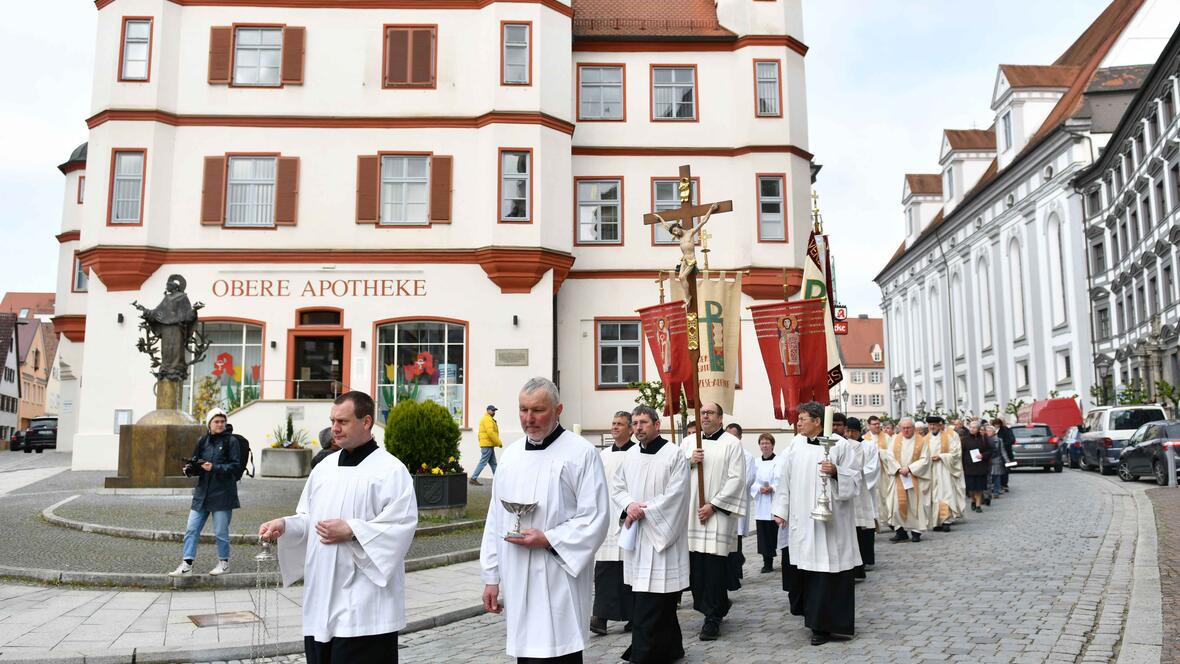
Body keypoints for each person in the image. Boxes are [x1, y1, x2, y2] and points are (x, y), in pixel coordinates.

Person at [258, 391, 418, 663]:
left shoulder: (391, 471)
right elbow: (311, 519)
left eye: (342, 421)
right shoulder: (324, 468)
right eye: (332, 420)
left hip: (366, 604)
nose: (334, 428)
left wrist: (352, 530)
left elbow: (400, 526)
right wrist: (285, 525)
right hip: (322, 597)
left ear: (366, 422)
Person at [480, 377, 610, 663]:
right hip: (516, 573)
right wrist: (491, 578)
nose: (529, 419)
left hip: (557, 573)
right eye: (523, 410)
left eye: (538, 410)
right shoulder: (511, 456)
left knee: (558, 650)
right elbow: (495, 520)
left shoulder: (581, 453)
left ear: (558, 409)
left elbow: (596, 517)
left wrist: (549, 538)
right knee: (526, 653)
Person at [772, 401, 862, 646]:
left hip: (832, 525)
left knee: (829, 572)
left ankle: (826, 626)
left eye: (802, 419)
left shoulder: (840, 446)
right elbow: (784, 480)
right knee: (807, 572)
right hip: (804, 521)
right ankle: (812, 618)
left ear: (818, 421)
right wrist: (780, 510)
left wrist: (835, 472)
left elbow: (855, 481)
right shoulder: (795, 444)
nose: (798, 423)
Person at [610, 405, 692, 664]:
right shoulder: (630, 455)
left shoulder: (674, 455)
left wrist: (648, 511)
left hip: (661, 537)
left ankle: (644, 654)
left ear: (657, 424)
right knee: (648, 597)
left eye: (643, 422)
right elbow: (617, 487)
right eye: (635, 423)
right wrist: (629, 505)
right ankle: (671, 648)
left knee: (657, 599)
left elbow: (677, 494)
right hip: (639, 536)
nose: (638, 427)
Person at [682, 402, 746, 641]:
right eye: (702, 413)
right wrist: (689, 460)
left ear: (720, 419)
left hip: (717, 514)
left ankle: (713, 618)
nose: (705, 416)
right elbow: (674, 472)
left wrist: (714, 505)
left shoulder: (732, 444)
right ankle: (714, 604)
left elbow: (736, 478)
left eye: (709, 413)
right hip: (693, 515)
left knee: (714, 568)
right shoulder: (689, 443)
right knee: (697, 569)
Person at [169, 407, 242, 577]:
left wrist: (214, 467)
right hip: (202, 493)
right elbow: (196, 463)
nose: (220, 424)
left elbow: (235, 466)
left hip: (223, 494)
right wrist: (189, 469)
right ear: (209, 423)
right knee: (191, 529)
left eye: (223, 421)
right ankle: (187, 565)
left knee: (221, 532)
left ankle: (224, 563)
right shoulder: (203, 441)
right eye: (216, 421)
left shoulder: (231, 442)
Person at [592, 411, 637, 636]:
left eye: (620, 424)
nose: (615, 427)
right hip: (606, 518)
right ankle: (600, 617)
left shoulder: (637, 454)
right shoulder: (603, 455)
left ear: (630, 429)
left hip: (626, 518)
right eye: (613, 423)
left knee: (627, 570)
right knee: (604, 570)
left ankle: (633, 616)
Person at [880, 417, 932, 543]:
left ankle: (916, 532)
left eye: (909, 428)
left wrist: (910, 468)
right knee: (896, 505)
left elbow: (925, 459)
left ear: (913, 428)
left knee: (915, 505)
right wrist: (898, 469)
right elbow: (889, 456)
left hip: (915, 477)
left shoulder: (921, 441)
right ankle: (900, 531)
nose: (906, 430)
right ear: (900, 428)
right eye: (904, 428)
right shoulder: (895, 439)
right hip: (899, 476)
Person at [723, 422, 754, 592]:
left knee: (736, 542)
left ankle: (736, 573)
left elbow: (747, 479)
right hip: (721, 502)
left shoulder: (746, 455)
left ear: (740, 437)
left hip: (736, 501)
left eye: (734, 436)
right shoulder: (723, 450)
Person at [847, 417, 878, 579]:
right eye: (848, 431)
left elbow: (873, 467)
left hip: (865, 489)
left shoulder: (868, 445)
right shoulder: (845, 445)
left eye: (854, 431)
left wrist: (858, 476)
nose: (851, 434)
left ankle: (867, 559)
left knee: (865, 524)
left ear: (860, 431)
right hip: (851, 489)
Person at [925, 416, 965, 533]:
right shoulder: (924, 439)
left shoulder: (948, 437)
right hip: (930, 470)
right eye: (930, 425)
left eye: (935, 425)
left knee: (945, 494)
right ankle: (936, 522)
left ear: (939, 425)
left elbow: (956, 453)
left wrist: (941, 456)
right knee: (933, 496)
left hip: (944, 469)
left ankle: (946, 521)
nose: (932, 427)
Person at [750, 433, 780, 573]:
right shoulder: (755, 462)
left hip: (775, 502)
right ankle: (767, 562)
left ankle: (784, 559)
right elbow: (751, 480)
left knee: (776, 534)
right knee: (763, 536)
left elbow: (781, 479)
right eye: (762, 443)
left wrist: (773, 488)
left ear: (773, 445)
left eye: (767, 443)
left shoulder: (779, 461)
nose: (765, 445)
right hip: (761, 503)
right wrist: (758, 488)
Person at [960, 419, 992, 513]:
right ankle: (973, 500)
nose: (972, 429)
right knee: (970, 489)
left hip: (980, 466)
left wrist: (983, 455)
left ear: (978, 429)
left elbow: (990, 451)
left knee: (979, 487)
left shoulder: (983, 438)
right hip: (969, 467)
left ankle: (978, 505)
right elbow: (961, 453)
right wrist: (962, 466)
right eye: (971, 427)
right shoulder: (964, 439)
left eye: (974, 427)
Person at [471, 404, 503, 485]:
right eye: (492, 410)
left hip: (488, 444)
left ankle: (498, 480)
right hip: (487, 445)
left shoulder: (488, 419)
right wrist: (498, 442)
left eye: (494, 410)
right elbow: (490, 433)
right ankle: (473, 478)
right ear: (488, 410)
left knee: (493, 463)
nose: (494, 412)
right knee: (483, 462)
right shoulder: (487, 419)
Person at [987, 423, 1009, 500]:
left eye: (990, 431)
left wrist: (1007, 461)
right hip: (987, 460)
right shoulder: (984, 440)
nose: (988, 432)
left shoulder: (999, 440)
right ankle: (989, 493)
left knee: (996, 477)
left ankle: (996, 492)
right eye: (987, 431)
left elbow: (1003, 451)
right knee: (989, 478)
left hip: (997, 460)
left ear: (994, 432)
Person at [993, 417, 1015, 493]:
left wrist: (1002, 445)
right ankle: (997, 485)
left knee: (1005, 469)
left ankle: (1004, 484)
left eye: (998, 424)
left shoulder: (1006, 430)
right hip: (995, 454)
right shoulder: (991, 430)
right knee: (996, 470)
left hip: (1005, 452)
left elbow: (1011, 440)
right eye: (995, 424)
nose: (996, 425)